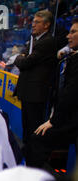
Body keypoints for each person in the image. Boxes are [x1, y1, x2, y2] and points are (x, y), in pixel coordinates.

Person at [25, 18, 78, 169]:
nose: (68, 36)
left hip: (70, 119)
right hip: (65, 115)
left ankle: (34, 178)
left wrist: (53, 121)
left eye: (73, 32)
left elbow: (70, 94)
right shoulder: (70, 56)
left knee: (37, 138)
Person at [13, 10, 57, 149]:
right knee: (27, 127)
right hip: (27, 92)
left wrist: (22, 57)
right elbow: (21, 58)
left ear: (46, 25)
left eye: (37, 22)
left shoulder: (47, 41)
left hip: (36, 94)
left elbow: (24, 62)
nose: (33, 25)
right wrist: (22, 57)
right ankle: (28, 153)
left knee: (33, 127)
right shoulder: (34, 39)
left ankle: (34, 159)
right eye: (33, 22)